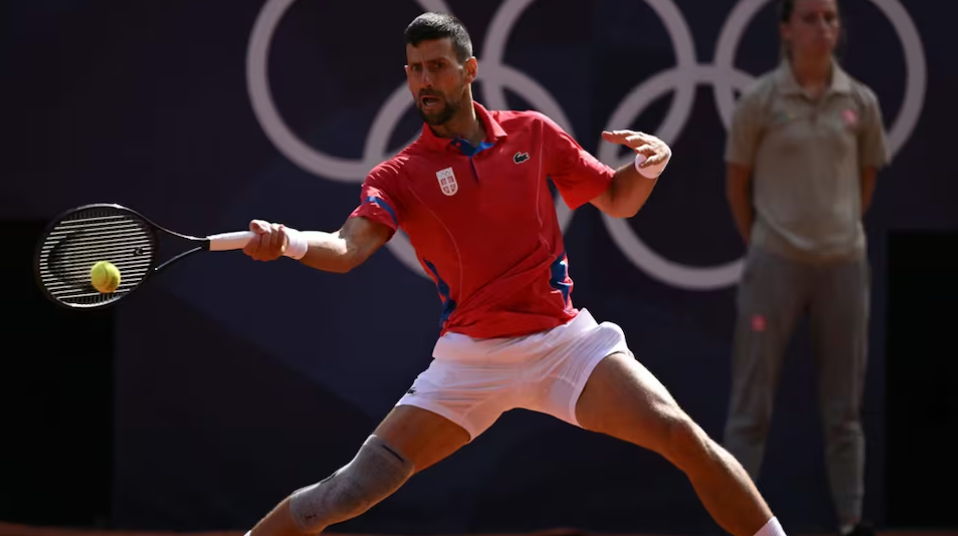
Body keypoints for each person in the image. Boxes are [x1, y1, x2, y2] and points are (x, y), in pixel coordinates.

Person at [242, 11, 786, 536]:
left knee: (681, 436)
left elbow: (618, 199)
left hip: (565, 343)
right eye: (414, 69)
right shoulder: (400, 174)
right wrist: (287, 242)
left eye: (437, 66)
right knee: (348, 494)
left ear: (470, 69)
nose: (424, 81)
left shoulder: (533, 133)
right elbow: (345, 247)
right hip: (470, 362)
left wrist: (649, 166)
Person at [722, 0, 890, 535]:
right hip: (774, 266)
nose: (824, 28)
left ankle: (850, 520)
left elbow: (866, 180)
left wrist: (836, 233)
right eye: (811, 17)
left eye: (831, 18)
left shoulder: (860, 102)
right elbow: (736, 182)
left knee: (846, 408)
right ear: (786, 29)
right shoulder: (759, 101)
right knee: (751, 405)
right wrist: (768, 243)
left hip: (844, 266)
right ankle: (739, 523)